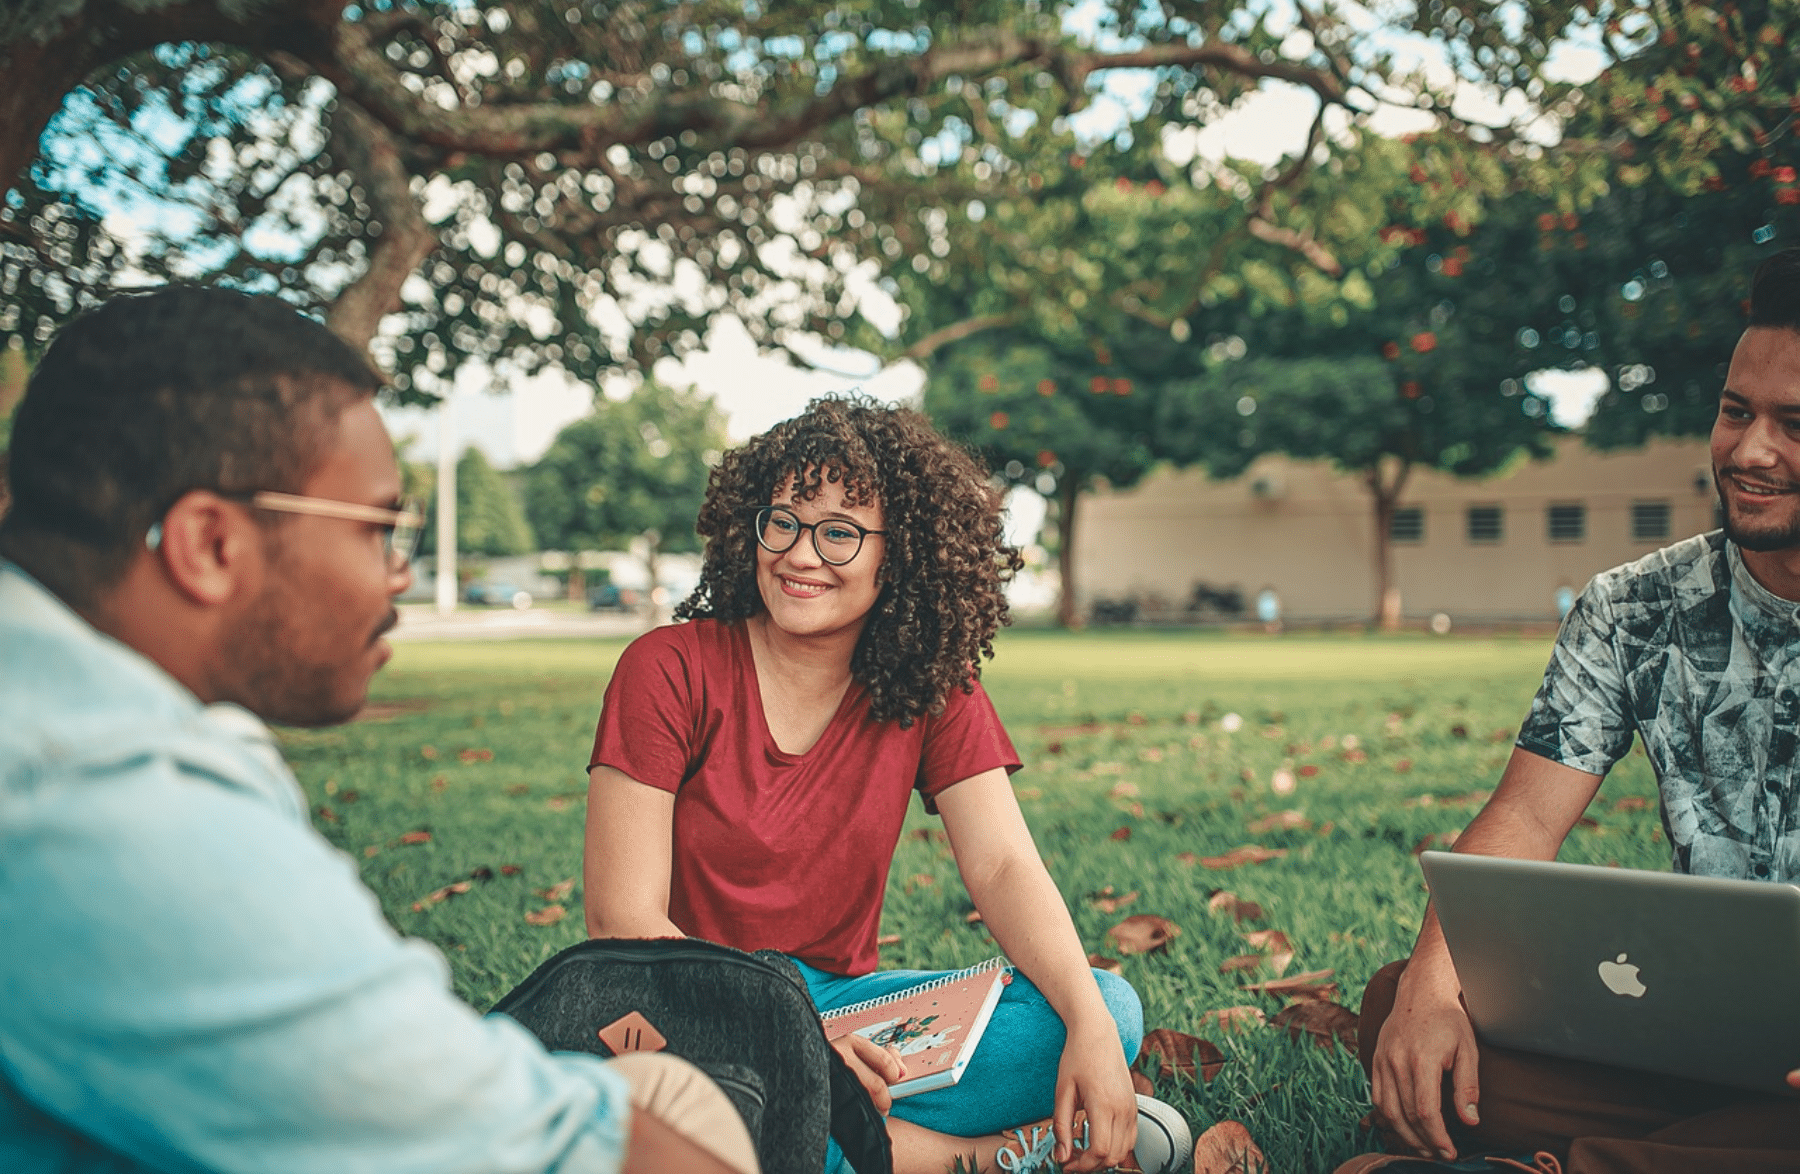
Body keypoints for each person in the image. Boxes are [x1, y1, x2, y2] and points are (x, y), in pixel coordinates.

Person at [0, 286, 757, 1174]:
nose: (397, 574)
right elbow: (574, 1154)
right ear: (211, 545)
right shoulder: (109, 809)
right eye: (377, 529)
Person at [581, 397, 1190, 1174]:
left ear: (897, 555)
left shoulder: (931, 686)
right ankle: (986, 1157)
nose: (802, 555)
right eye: (785, 521)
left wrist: (1091, 1033)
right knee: (693, 1107)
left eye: (839, 532)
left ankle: (818, 1139)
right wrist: (795, 1049)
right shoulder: (666, 669)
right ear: (750, 527)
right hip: (687, 1011)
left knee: (1105, 1006)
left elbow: (1003, 865)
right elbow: (621, 920)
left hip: (843, 1011)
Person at [1345, 249, 1800, 1173]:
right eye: (1735, 411)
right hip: (1703, 1041)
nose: (1749, 451)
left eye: (1795, 424)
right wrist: (1436, 988)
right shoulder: (1636, 607)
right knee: (1403, 1011)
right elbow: (1523, 816)